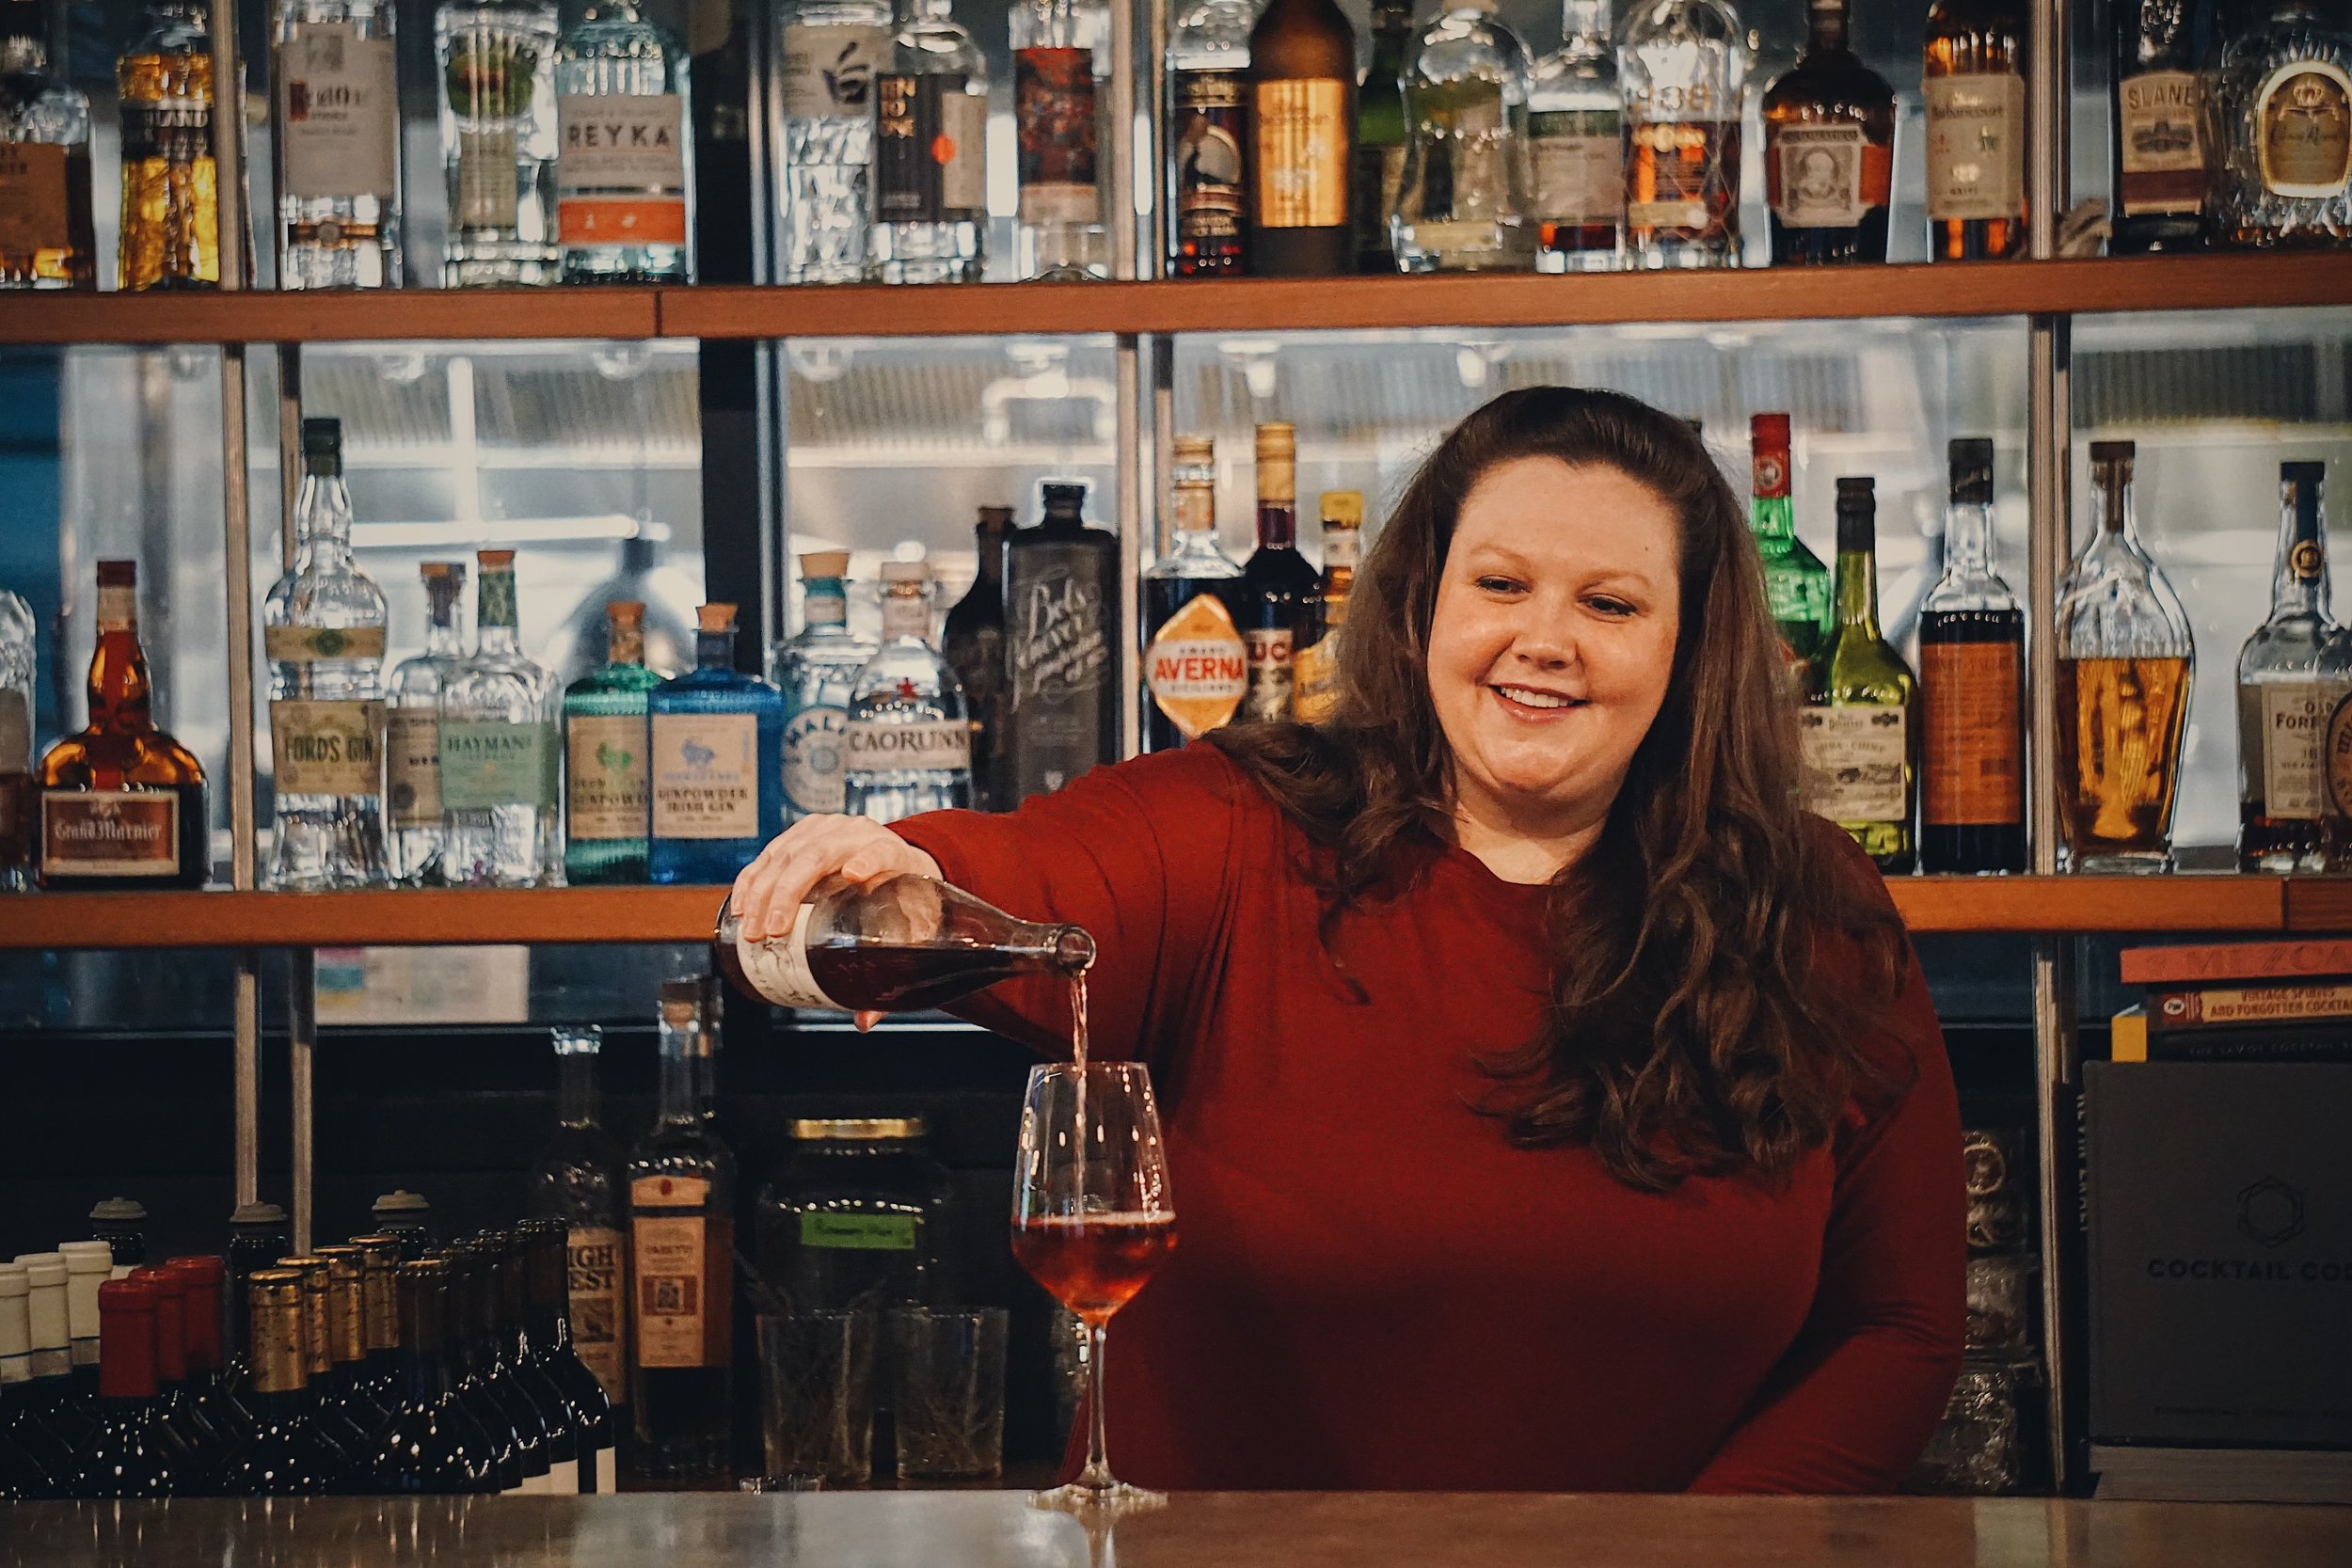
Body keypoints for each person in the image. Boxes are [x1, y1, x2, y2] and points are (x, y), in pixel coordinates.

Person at [731, 388, 1964, 1493]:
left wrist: (1699, 1557)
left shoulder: (1806, 908)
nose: (1546, 638)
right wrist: (899, 887)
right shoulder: (1245, 827)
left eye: (1610, 602)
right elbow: (1036, 881)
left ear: (1690, 648)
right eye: (1500, 585)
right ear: (1423, 604)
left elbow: (1901, 1327)